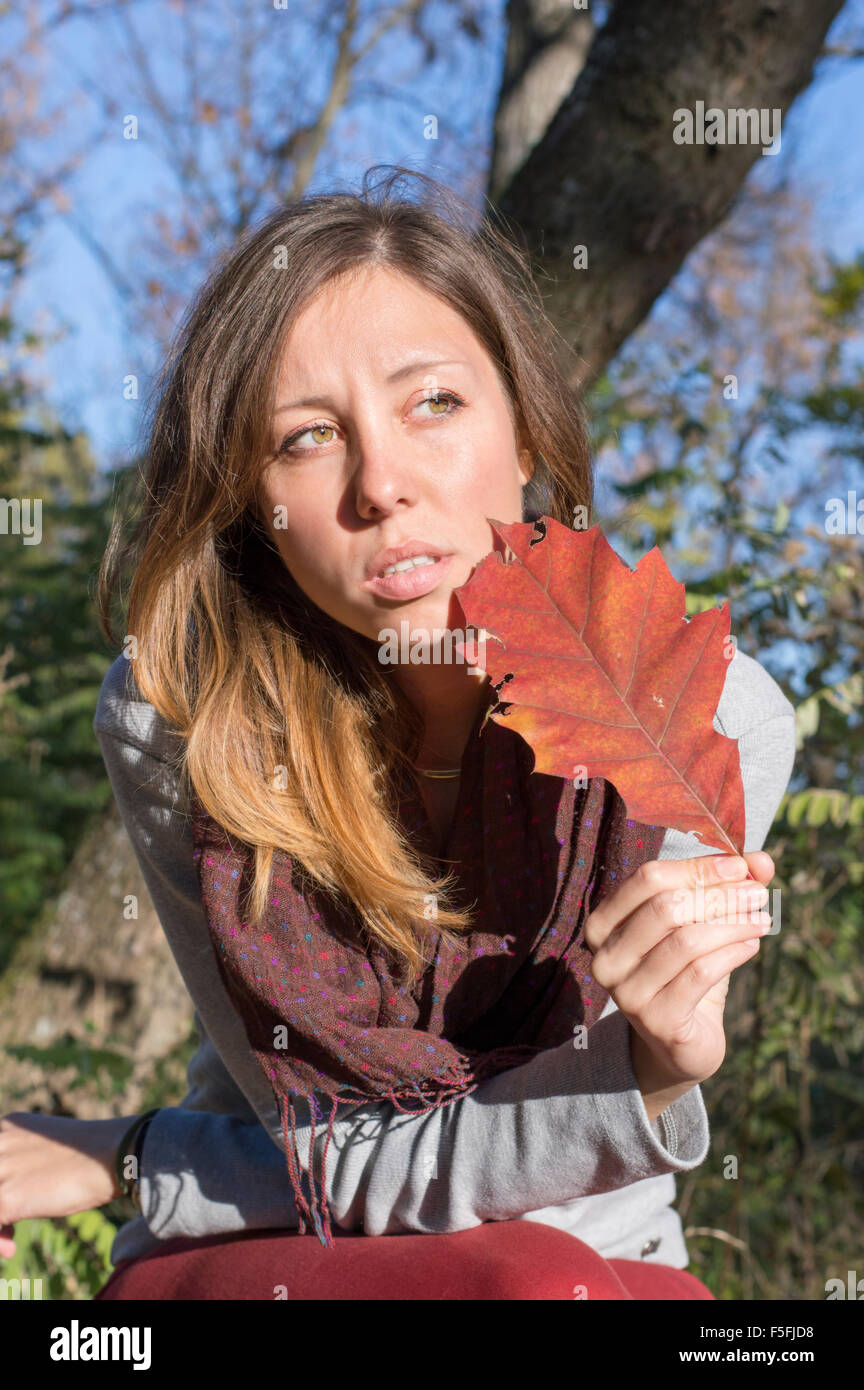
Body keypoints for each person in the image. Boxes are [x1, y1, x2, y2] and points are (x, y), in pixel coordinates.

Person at [0, 167, 796, 1301]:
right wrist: (630, 1084)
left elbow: (570, 1176)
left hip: (595, 1264)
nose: (382, 484)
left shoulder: (701, 720)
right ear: (248, 509)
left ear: (527, 435)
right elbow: (327, 1146)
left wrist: (131, 1156)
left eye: (434, 404)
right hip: (279, 1256)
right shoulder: (184, 716)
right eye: (308, 438)